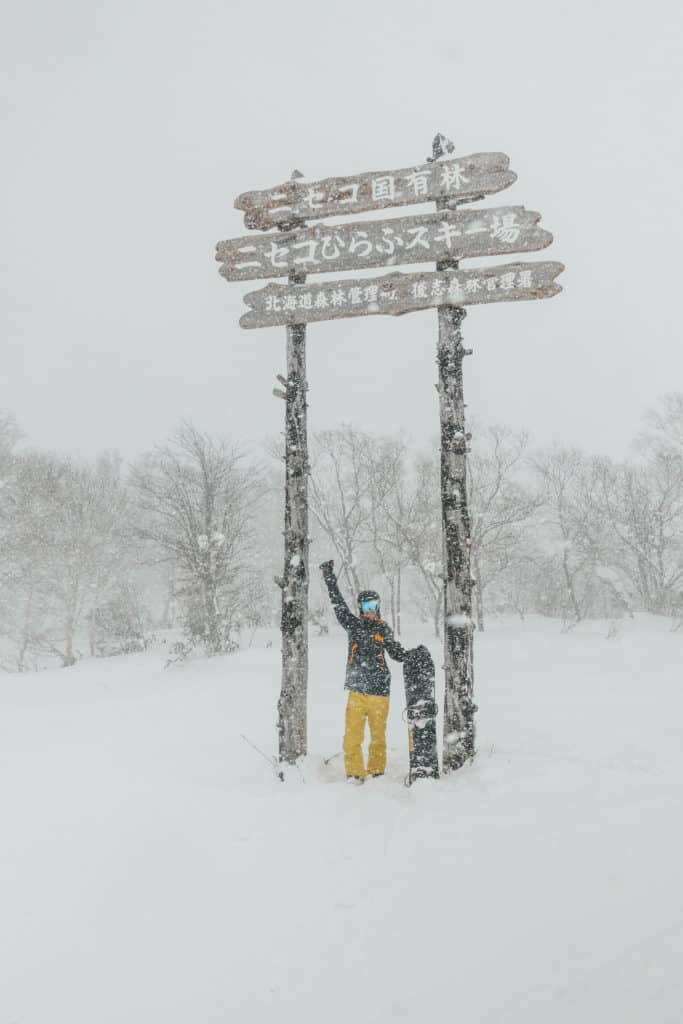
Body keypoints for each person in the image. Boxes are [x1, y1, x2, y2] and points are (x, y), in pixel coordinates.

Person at [320, 559, 407, 784]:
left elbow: (396, 652)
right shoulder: (353, 625)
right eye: (367, 606)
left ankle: (377, 771)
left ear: (378, 607)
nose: (371, 610)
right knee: (352, 737)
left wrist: (412, 656)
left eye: (374, 605)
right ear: (360, 608)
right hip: (357, 690)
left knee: (378, 737)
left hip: (380, 692)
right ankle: (355, 774)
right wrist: (329, 577)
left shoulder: (383, 628)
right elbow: (338, 605)